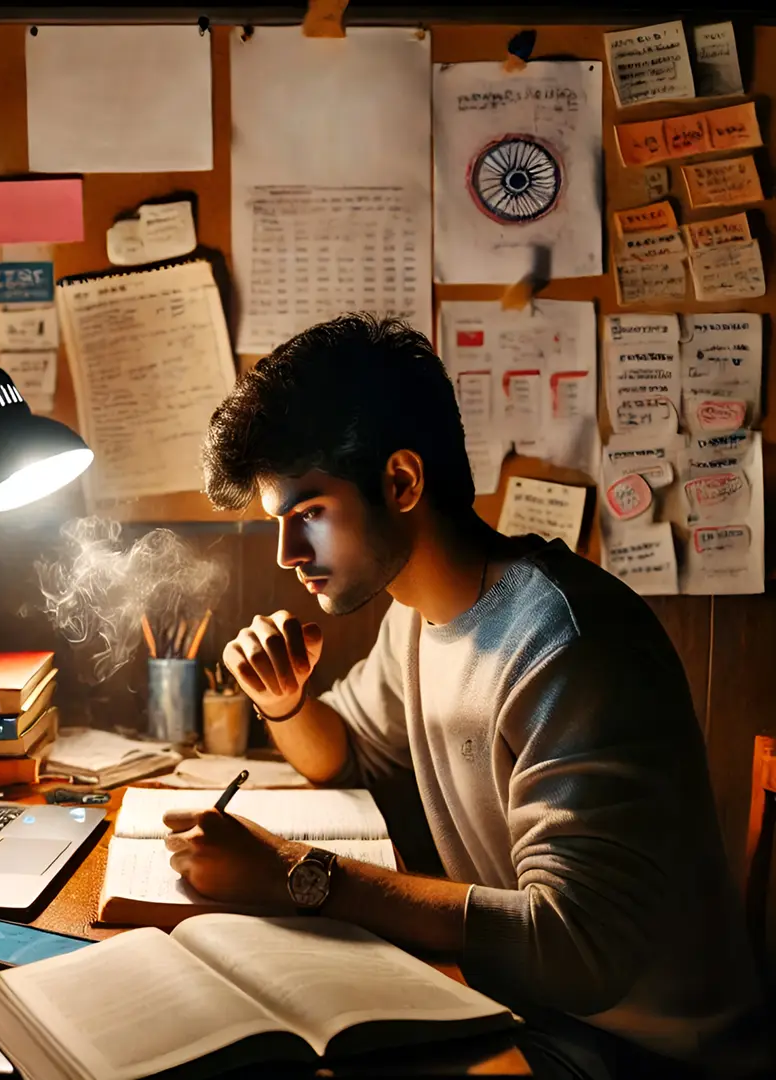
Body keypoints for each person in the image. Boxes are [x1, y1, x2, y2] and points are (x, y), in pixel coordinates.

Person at [163, 314, 767, 1079]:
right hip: (529, 1012)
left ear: (403, 481)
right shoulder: (417, 616)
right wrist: (285, 702)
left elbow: (579, 951)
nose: (288, 556)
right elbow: (344, 756)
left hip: (640, 1054)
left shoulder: (568, 642)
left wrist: (292, 872)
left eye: (307, 514)